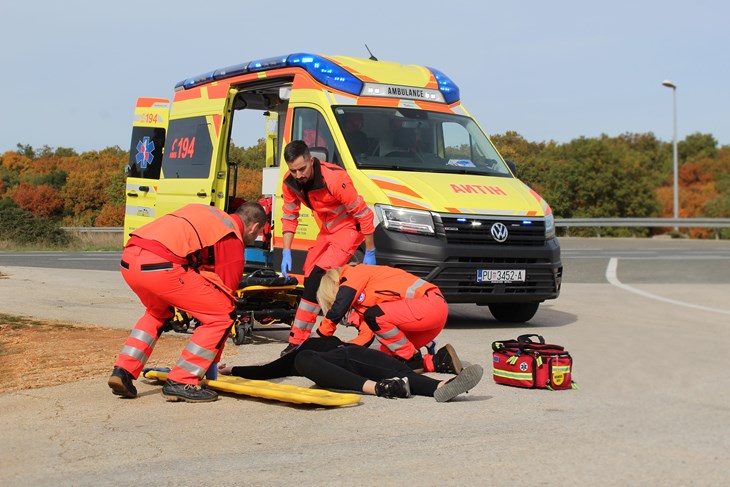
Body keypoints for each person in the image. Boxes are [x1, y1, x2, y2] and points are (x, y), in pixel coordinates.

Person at [107, 202, 267, 403]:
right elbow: (225, 297)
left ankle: (123, 371)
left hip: (130, 259)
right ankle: (181, 381)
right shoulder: (231, 236)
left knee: (157, 313)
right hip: (162, 266)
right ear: (254, 227)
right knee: (222, 316)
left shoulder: (207, 212)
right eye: (258, 233)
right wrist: (211, 363)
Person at [279, 140, 376, 355]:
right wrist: (286, 250)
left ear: (311, 161)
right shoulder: (290, 182)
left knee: (318, 276)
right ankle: (300, 338)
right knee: (310, 278)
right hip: (327, 231)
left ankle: (298, 340)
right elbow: (289, 215)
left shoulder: (334, 178)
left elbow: (364, 214)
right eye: (293, 170)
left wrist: (370, 251)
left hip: (349, 229)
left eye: (302, 169)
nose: (298, 175)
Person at [218, 336, 483, 402]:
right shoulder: (301, 354)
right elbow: (268, 370)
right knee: (305, 357)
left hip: (355, 355)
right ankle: (381, 389)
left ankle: (442, 387)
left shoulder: (324, 338)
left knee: (398, 372)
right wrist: (233, 369)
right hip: (337, 367)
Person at [316, 264, 459, 374]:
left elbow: (341, 304)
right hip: (428, 319)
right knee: (384, 358)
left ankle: (412, 358)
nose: (334, 302)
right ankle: (440, 361)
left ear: (335, 284)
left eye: (332, 299)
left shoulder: (353, 273)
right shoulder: (364, 305)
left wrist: (321, 336)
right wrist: (341, 349)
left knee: (375, 317)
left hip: (430, 305)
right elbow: (366, 336)